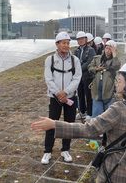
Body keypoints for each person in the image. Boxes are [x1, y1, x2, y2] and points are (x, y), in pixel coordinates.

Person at [32, 61, 126, 183]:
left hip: (116, 172)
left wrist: (54, 124)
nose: (116, 84)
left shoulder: (119, 109)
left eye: (119, 81)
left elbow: (89, 130)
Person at [41, 31, 82, 164]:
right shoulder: (50, 59)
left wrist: (66, 92)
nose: (66, 45)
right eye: (63, 43)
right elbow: (48, 78)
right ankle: (47, 151)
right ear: (57, 44)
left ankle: (66, 149)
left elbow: (77, 78)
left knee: (68, 124)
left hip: (70, 97)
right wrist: (58, 93)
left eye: (68, 43)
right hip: (55, 98)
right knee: (51, 124)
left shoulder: (75, 60)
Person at [90, 40, 122, 118]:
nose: (108, 50)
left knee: (108, 116)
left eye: (110, 49)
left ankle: (107, 129)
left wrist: (114, 55)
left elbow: (117, 66)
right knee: (97, 115)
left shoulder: (115, 60)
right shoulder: (97, 59)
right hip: (97, 91)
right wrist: (97, 69)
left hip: (109, 92)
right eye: (106, 48)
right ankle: (97, 129)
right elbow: (90, 68)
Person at [75, 31, 97, 120]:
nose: (80, 41)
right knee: (80, 94)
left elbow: (89, 62)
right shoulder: (77, 50)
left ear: (86, 39)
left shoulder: (91, 50)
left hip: (88, 76)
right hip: (78, 77)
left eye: (82, 39)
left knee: (88, 95)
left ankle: (90, 113)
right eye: (78, 39)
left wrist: (78, 68)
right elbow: (74, 61)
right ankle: (82, 111)